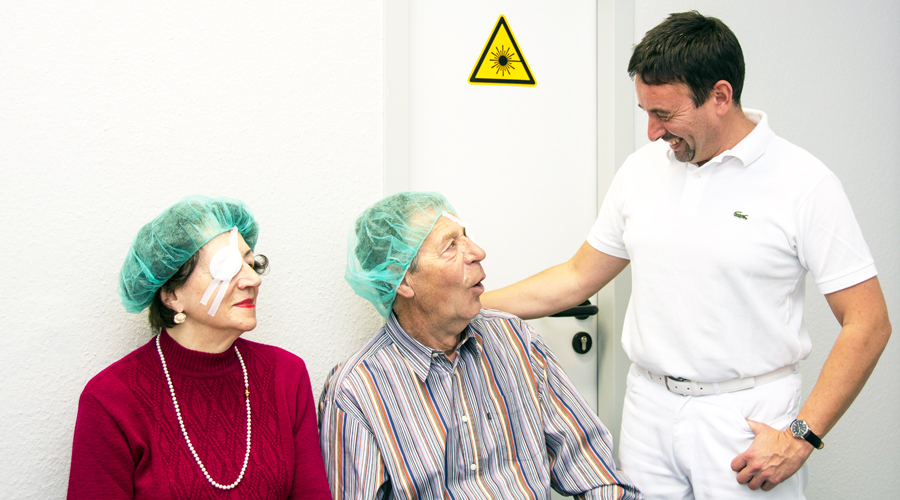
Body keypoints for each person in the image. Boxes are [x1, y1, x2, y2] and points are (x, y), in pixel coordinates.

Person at [480, 11, 891, 499]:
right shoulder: (641, 171)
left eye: (665, 114)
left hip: (745, 420)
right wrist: (467, 307)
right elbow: (575, 278)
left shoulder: (804, 183)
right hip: (648, 412)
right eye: (645, 112)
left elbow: (868, 322)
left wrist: (801, 436)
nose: (652, 132)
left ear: (720, 96)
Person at [318, 192, 641, 499]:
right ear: (401, 280)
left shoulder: (515, 340)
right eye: (450, 246)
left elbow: (592, 468)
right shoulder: (357, 391)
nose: (477, 252)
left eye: (465, 237)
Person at [67, 195, 331, 499]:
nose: (252, 280)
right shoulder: (111, 400)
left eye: (250, 264)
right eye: (227, 266)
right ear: (171, 295)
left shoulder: (285, 375)